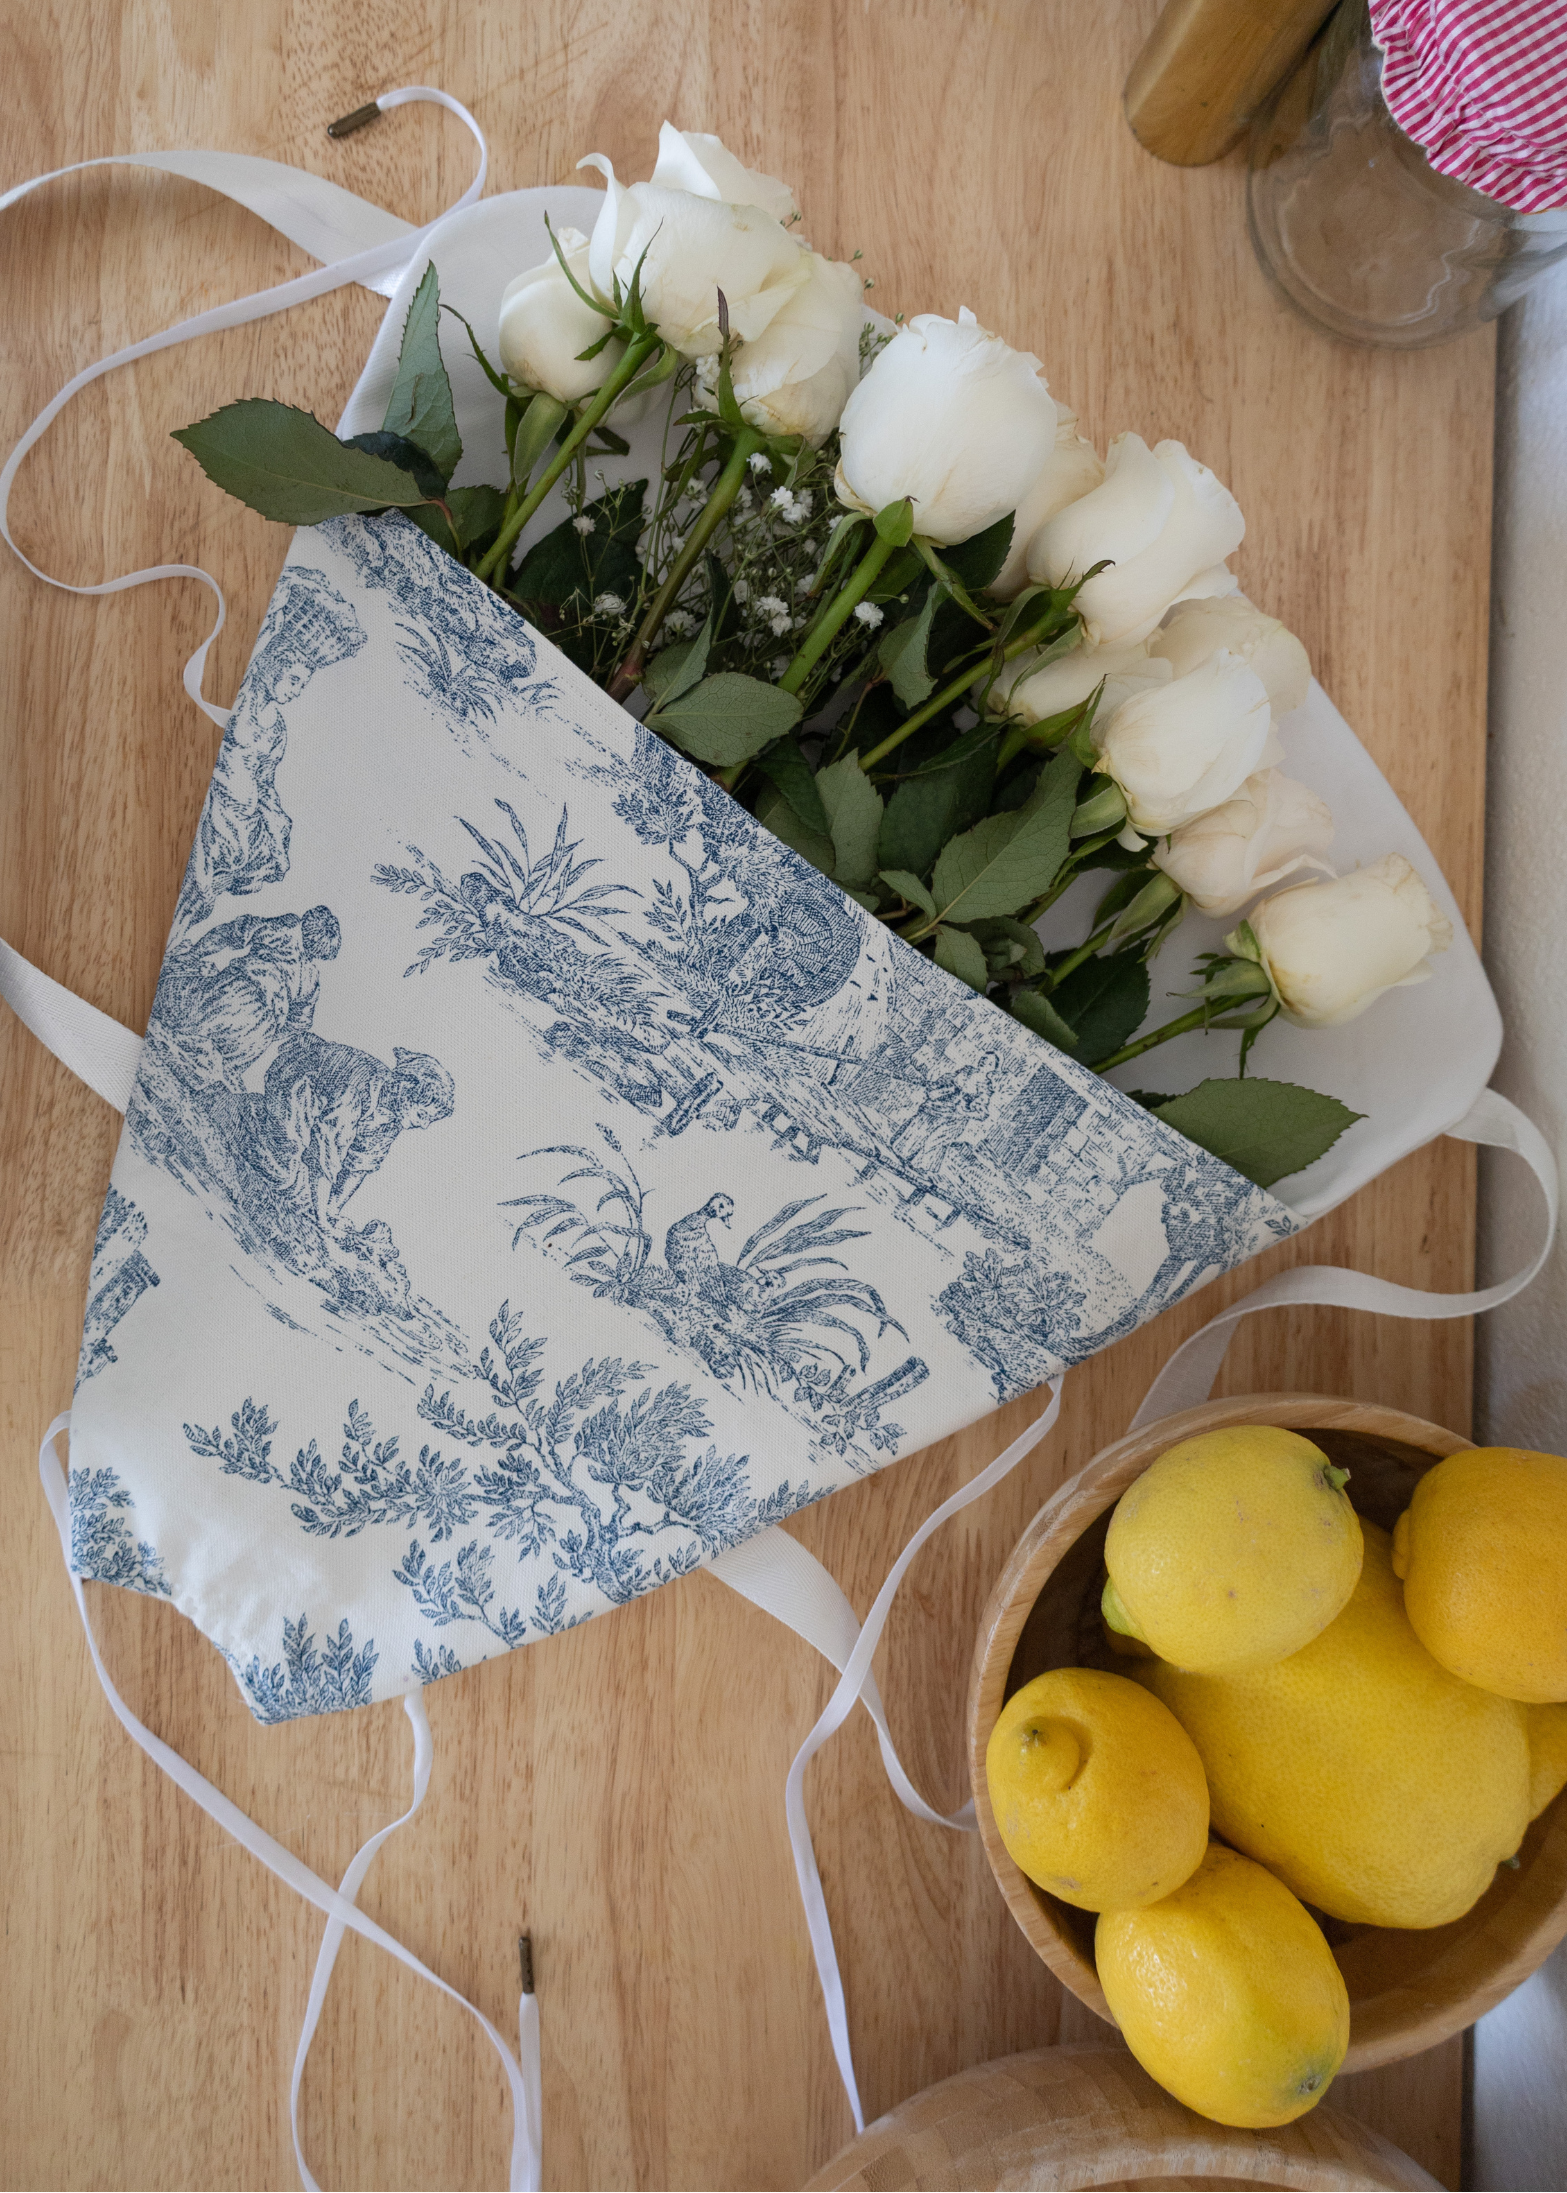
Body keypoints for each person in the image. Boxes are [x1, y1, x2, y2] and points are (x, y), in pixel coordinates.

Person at [174, 569, 365, 932]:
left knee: (205, 897)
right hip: (216, 812)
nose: (295, 690)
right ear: (275, 663)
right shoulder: (241, 701)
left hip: (244, 826)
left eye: (302, 685)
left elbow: (263, 780)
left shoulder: (276, 728)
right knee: (189, 879)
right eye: (294, 679)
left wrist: (275, 819)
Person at [261, 1032, 455, 1228]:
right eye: (422, 1115)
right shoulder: (359, 1087)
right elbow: (326, 1151)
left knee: (304, 1191)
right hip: (291, 1081)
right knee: (288, 1175)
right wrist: (322, 1221)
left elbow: (359, 1165)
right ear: (404, 1090)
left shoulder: (392, 1122)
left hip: (317, 1114)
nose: (423, 1126)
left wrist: (332, 1211)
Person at [155, 905, 341, 1081]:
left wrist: (194, 954)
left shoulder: (287, 927)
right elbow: (299, 1023)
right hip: (259, 1036)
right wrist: (267, 1027)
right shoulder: (312, 979)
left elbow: (233, 933)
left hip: (238, 997)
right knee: (209, 1067)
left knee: (170, 1003)